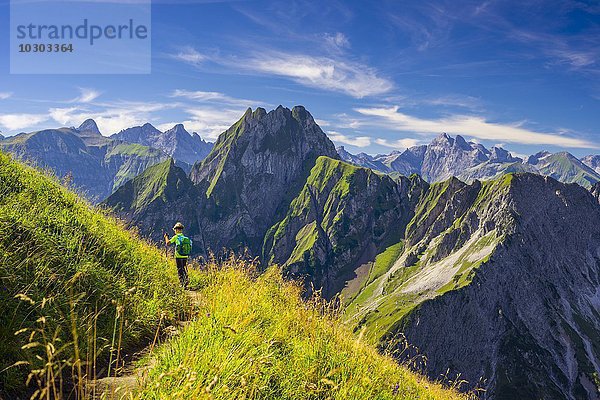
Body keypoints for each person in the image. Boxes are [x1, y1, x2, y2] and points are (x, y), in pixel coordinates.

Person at [164, 222, 190, 288]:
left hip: (178, 256)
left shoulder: (176, 237)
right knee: (183, 267)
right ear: (181, 230)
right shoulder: (185, 238)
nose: (175, 231)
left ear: (177, 230)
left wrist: (166, 237)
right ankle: (186, 280)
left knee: (179, 269)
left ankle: (182, 284)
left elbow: (168, 243)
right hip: (185, 255)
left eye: (175, 230)